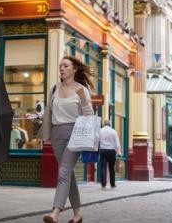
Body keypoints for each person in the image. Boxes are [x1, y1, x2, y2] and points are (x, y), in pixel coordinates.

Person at [39, 56, 94, 223]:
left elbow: (89, 115)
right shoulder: (54, 88)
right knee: (68, 174)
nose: (62, 69)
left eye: (65, 66)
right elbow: (50, 112)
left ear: (74, 69)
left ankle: (55, 213)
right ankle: (77, 214)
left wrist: (84, 100)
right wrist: (38, 116)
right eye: (60, 66)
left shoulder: (81, 89)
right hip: (56, 134)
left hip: (75, 133)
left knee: (63, 172)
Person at [99, 119, 121, 189]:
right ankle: (112, 184)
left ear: (104, 124)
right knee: (111, 168)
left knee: (103, 167)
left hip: (103, 150)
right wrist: (119, 152)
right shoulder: (113, 131)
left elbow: (97, 141)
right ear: (110, 124)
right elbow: (117, 142)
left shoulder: (100, 131)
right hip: (111, 151)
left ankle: (103, 184)